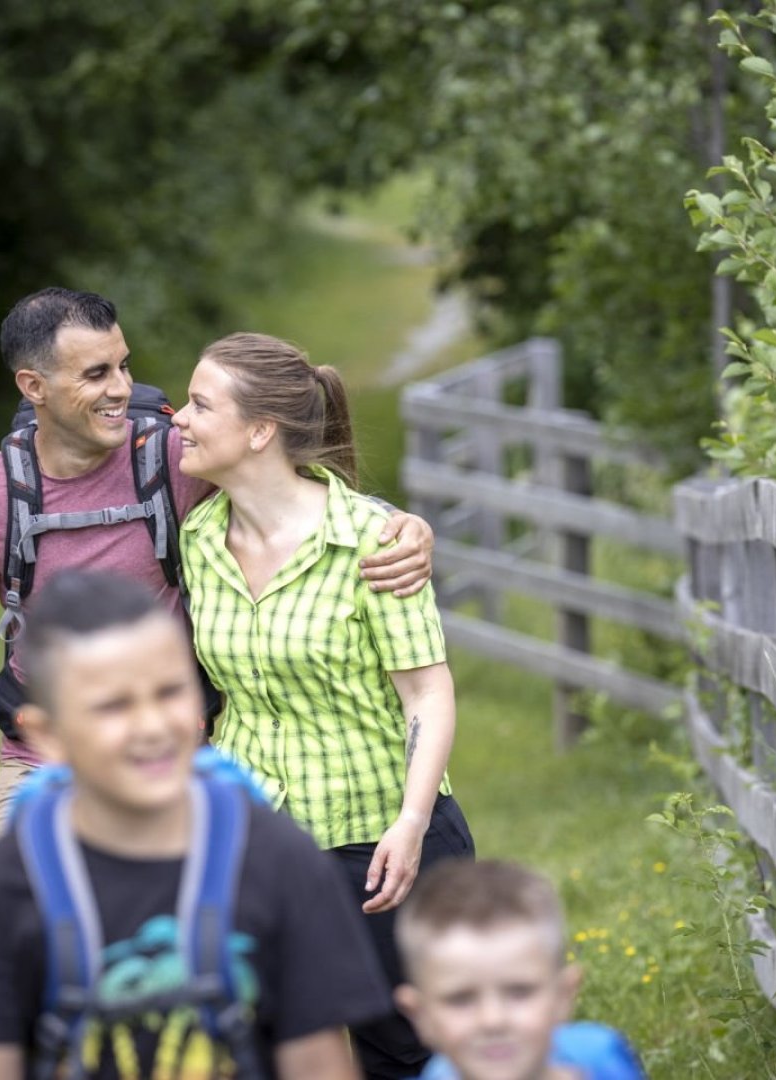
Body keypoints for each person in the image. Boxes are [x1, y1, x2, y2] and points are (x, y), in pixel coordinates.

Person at [0, 288, 433, 898]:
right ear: (33, 386)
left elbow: (296, 493)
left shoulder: (177, 462)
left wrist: (403, 525)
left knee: (175, 958)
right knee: (36, 946)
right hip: (42, 765)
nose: (122, 389)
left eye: (123, 365)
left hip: (173, 761)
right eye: (96, 373)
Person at [0, 569, 390, 1079]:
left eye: (170, 692)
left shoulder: (282, 859)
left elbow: (317, 1065)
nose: (150, 726)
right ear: (47, 736)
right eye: (112, 706)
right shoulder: (5, 883)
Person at [173, 332, 475, 1080]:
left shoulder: (373, 542)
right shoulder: (198, 538)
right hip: (257, 846)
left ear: (259, 430)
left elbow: (428, 693)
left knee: (406, 1053)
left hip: (377, 845)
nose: (178, 417)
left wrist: (409, 822)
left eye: (200, 404)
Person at [393, 860, 645, 1080]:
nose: (493, 1020)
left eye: (519, 992)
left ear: (564, 995)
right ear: (419, 1014)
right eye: (461, 999)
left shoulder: (606, 1058)